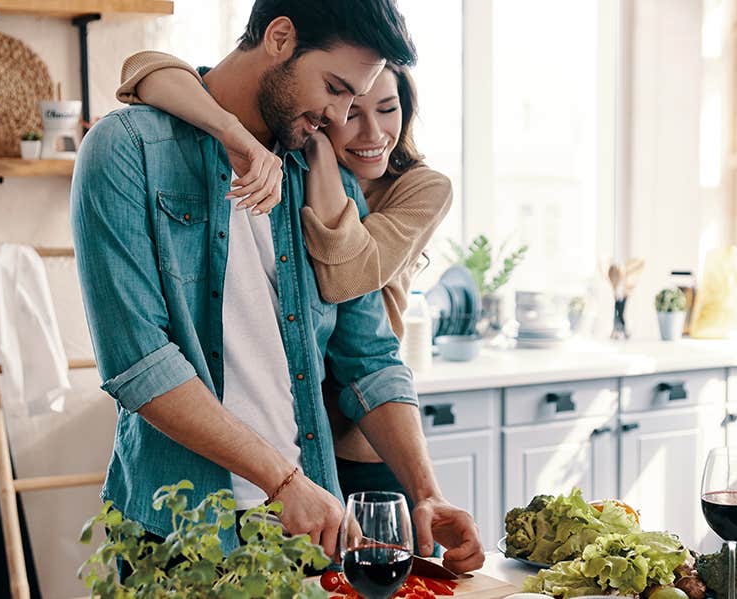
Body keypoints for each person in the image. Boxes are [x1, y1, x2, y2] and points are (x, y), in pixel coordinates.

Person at [71, 0, 482, 573]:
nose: (340, 117)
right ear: (281, 37)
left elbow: (368, 356)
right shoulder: (127, 151)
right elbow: (140, 364)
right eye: (335, 88)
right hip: (178, 537)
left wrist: (425, 491)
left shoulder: (323, 175)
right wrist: (282, 480)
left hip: (310, 534)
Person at [117, 50, 453, 518]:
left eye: (386, 108)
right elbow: (145, 70)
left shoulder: (411, 187)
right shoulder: (144, 150)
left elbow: (354, 306)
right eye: (343, 101)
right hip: (275, 477)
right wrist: (234, 134)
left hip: (360, 445)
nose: (367, 129)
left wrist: (315, 150)